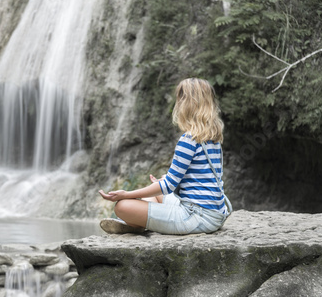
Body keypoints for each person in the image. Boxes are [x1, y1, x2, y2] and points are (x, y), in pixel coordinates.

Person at [99, 78, 232, 235]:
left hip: (196, 217)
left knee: (122, 206)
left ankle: (136, 224)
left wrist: (126, 194)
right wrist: (166, 181)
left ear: (185, 104)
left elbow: (168, 186)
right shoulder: (213, 138)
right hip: (215, 214)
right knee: (156, 194)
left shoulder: (189, 140)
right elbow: (197, 180)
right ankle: (137, 223)